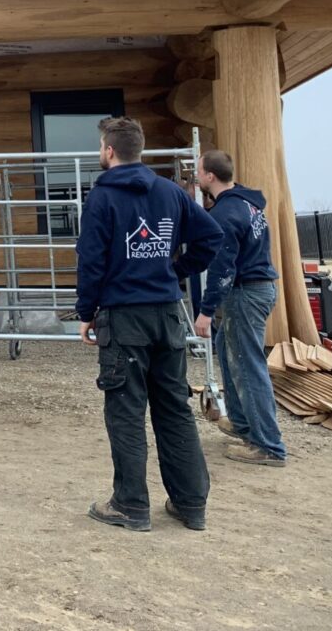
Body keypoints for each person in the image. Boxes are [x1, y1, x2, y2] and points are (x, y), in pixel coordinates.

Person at [76, 117, 222, 533]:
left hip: (124, 317)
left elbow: (91, 259)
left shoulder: (102, 199)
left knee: (125, 410)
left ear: (108, 150)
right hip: (168, 313)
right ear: (139, 149)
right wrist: (176, 270)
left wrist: (86, 312)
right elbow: (211, 237)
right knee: (174, 408)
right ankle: (191, 504)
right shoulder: (171, 192)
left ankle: (130, 505)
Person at [194, 149, 287, 467]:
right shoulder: (246, 203)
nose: (195, 175)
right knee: (226, 347)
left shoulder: (226, 215)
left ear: (209, 176)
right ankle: (243, 422)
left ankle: (268, 446)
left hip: (246, 292)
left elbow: (222, 270)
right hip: (257, 287)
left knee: (248, 366)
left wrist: (206, 311)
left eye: (198, 170)